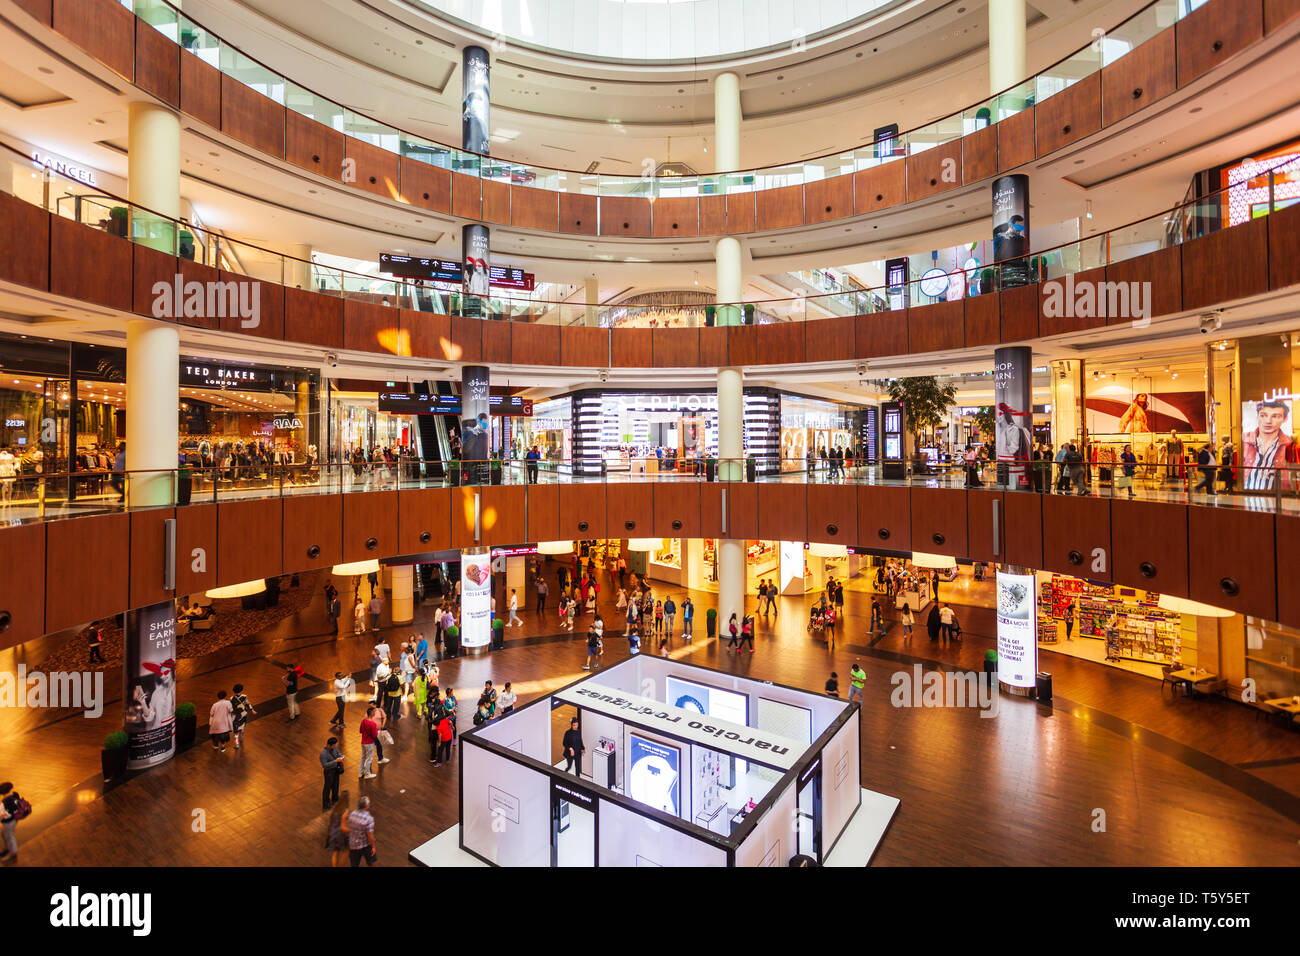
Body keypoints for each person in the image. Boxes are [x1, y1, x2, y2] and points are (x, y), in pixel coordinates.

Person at [343, 795, 377, 867]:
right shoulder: (369, 819)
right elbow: (370, 835)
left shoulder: (352, 814)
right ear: (366, 806)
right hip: (365, 844)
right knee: (371, 862)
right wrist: (373, 846)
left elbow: (347, 825)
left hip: (353, 844)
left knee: (354, 864)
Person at [0, 782, 27, 863]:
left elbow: (6, 814)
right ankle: (8, 849)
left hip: (8, 822)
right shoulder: (14, 795)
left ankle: (13, 855)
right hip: (14, 820)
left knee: (10, 837)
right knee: (4, 834)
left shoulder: (6, 802)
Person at [320, 736, 344, 810]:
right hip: (329, 772)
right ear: (329, 745)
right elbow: (324, 765)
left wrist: (340, 757)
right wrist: (335, 761)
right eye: (333, 745)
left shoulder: (334, 748)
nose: (334, 746)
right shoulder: (323, 754)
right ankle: (326, 803)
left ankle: (335, 798)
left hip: (335, 770)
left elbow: (338, 753)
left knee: (335, 785)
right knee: (327, 787)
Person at [230, 683, 255, 751]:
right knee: (242, 725)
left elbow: (231, 708)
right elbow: (248, 703)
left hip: (235, 716)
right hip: (243, 714)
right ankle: (241, 737)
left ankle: (236, 744)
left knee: (236, 730)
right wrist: (252, 710)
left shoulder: (232, 698)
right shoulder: (244, 696)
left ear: (234, 690)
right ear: (241, 690)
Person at [359, 707, 380, 779]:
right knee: (369, 758)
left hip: (363, 742)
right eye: (374, 712)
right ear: (371, 713)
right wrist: (376, 730)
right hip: (370, 743)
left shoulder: (363, 721)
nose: (375, 713)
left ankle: (360, 772)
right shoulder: (373, 724)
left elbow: (361, 731)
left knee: (363, 757)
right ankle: (367, 773)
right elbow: (374, 735)